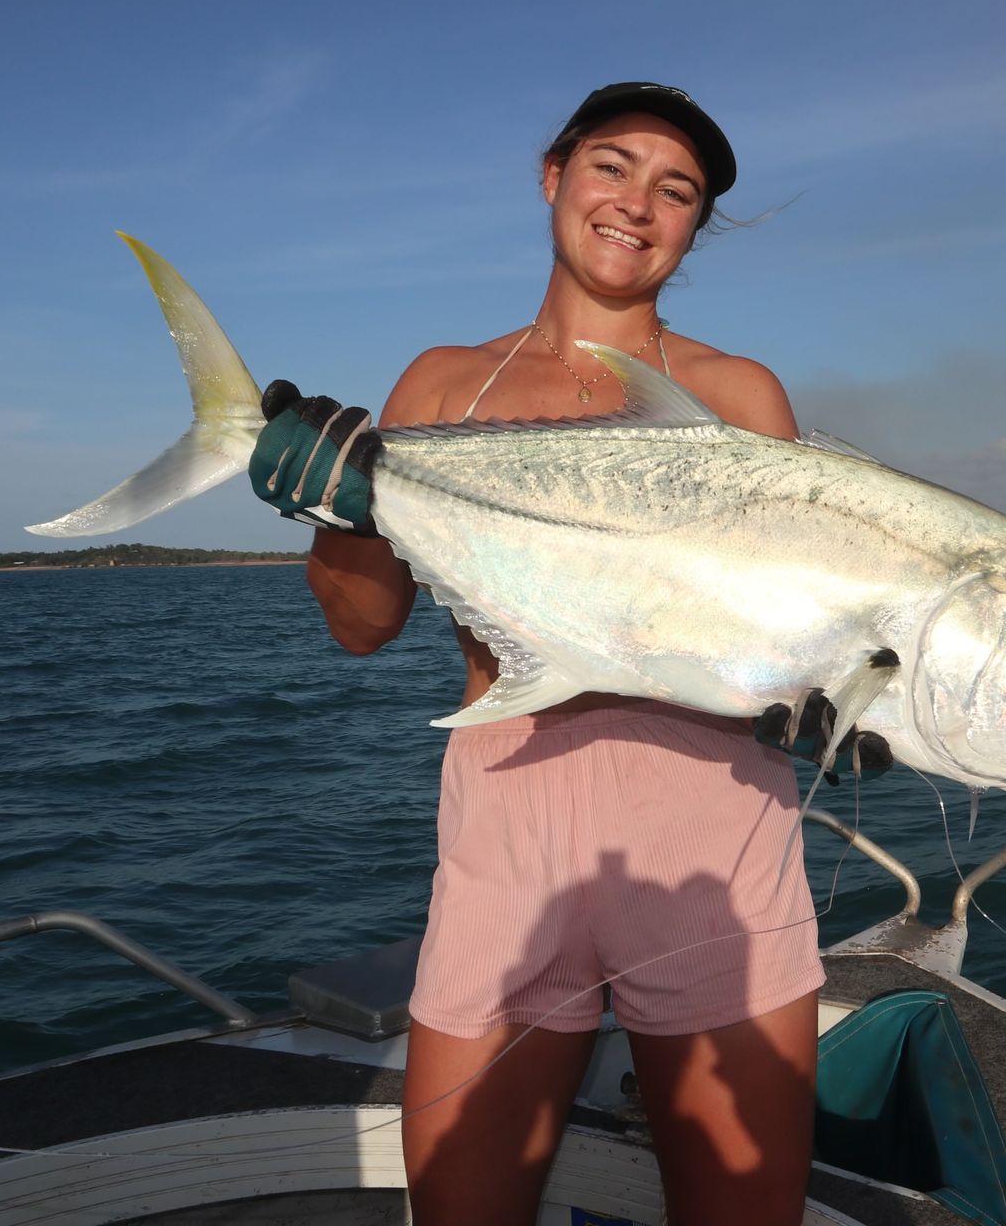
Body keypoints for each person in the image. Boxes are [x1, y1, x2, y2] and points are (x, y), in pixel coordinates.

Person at [259, 83, 829, 1225]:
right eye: (612, 166)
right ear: (553, 175)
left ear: (695, 227)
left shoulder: (737, 395)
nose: (638, 203)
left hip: (713, 842)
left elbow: (792, 619)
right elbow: (363, 624)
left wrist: (846, 699)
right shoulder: (440, 385)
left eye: (678, 190)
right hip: (509, 843)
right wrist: (336, 510)